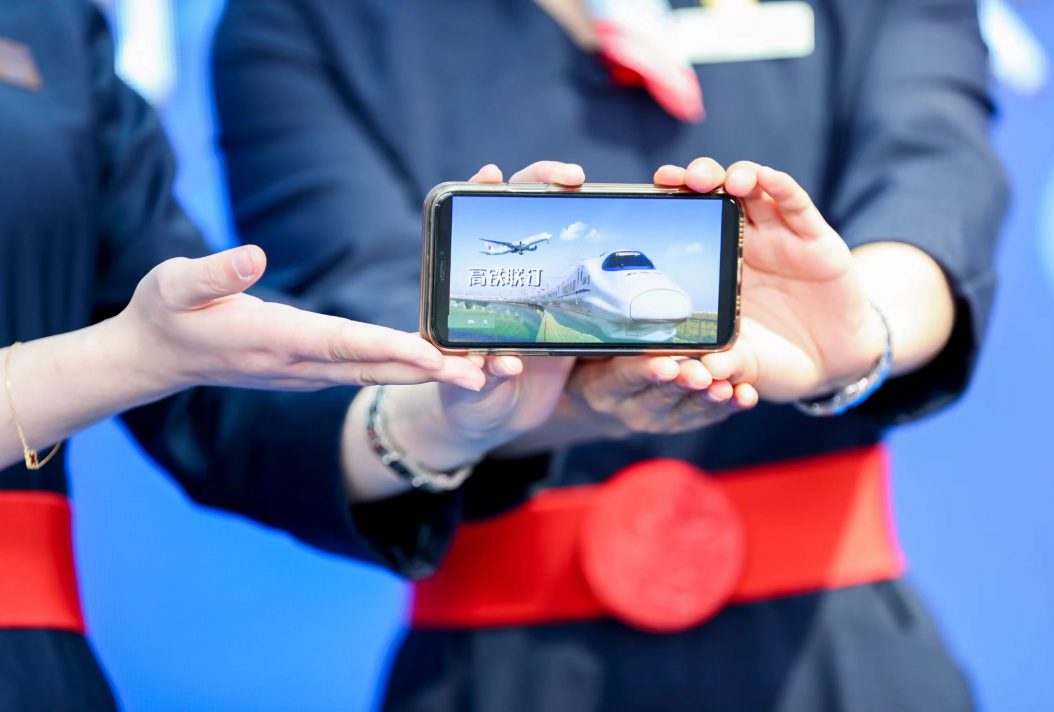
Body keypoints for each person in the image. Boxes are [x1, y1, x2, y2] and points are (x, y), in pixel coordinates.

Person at [212, 0, 1006, 709]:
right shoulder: (305, 17)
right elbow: (363, 296)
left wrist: (860, 329)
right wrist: (533, 397)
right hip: (500, 663)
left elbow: (935, 176)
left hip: (840, 654)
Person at [0, 2, 663, 709]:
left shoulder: (51, 21)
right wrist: (127, 359)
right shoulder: (305, 24)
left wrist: (437, 420)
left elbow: (201, 378)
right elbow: (155, 349)